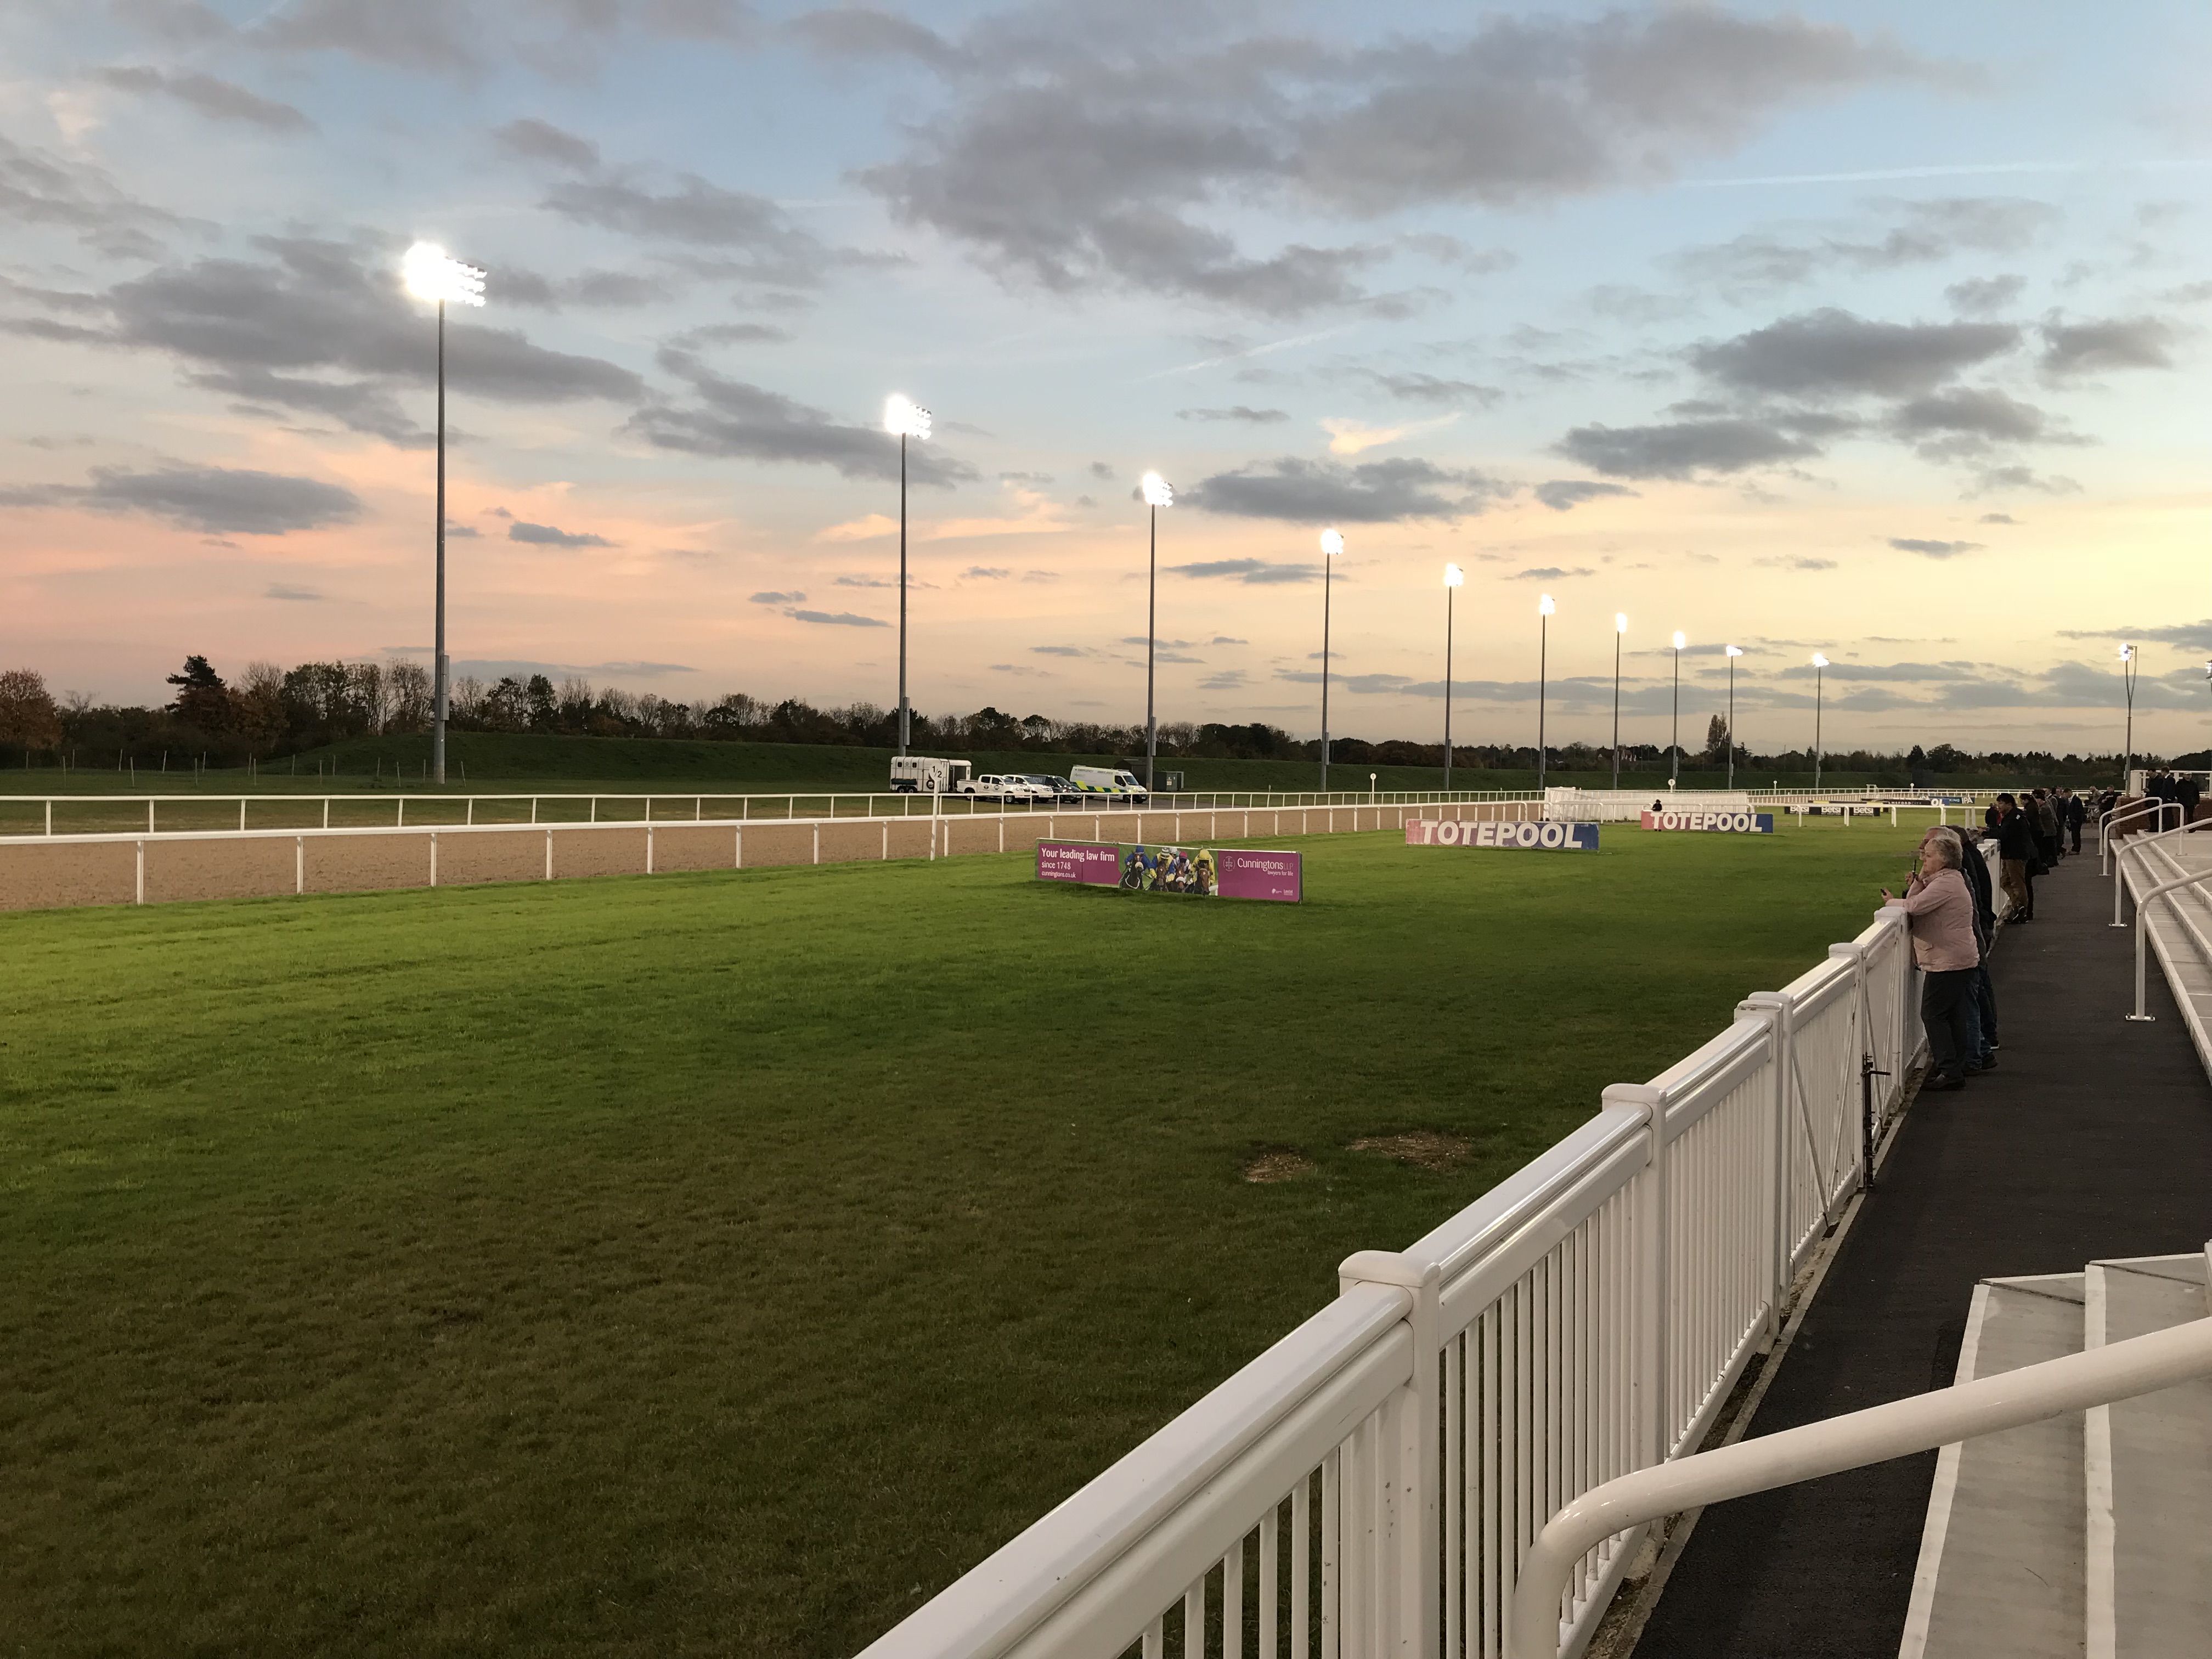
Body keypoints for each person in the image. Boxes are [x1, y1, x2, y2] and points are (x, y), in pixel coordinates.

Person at [1883, 835, 1980, 1090]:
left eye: (1928, 856)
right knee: (1952, 1015)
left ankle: (1950, 1069)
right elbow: (1917, 899)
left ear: (1944, 859)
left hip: (1948, 959)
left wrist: (1890, 902)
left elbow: (1914, 906)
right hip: (1955, 957)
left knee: (1933, 1014)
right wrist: (1919, 880)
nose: (1923, 860)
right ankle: (1952, 1066)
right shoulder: (1947, 881)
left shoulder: (1946, 883)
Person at [1994, 792, 2036, 921]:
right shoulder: (2013, 816)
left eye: (2001, 803)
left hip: (2015, 855)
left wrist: (1987, 832)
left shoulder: (2014, 817)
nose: (1998, 806)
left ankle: (2022, 911)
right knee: (2005, 882)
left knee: (2018, 884)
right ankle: (2018, 906)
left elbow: (2003, 834)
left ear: (2009, 805)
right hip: (2011, 854)